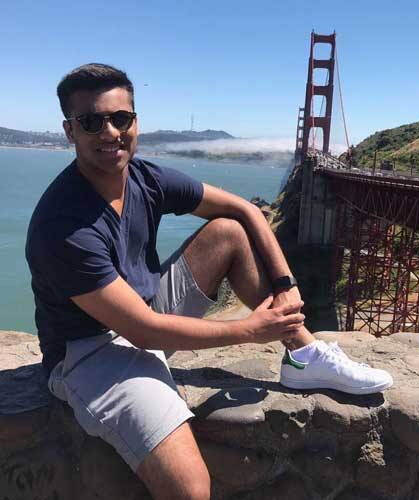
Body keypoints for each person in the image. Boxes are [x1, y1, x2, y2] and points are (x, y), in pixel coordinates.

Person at [26, 63, 393, 500]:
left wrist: (284, 282)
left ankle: (305, 354)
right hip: (90, 351)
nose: (110, 132)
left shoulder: (145, 178)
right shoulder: (62, 226)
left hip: (145, 312)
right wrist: (249, 331)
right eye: (91, 122)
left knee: (227, 233)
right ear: (69, 131)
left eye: (120, 118)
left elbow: (246, 211)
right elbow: (143, 332)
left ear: (135, 122)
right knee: (190, 489)